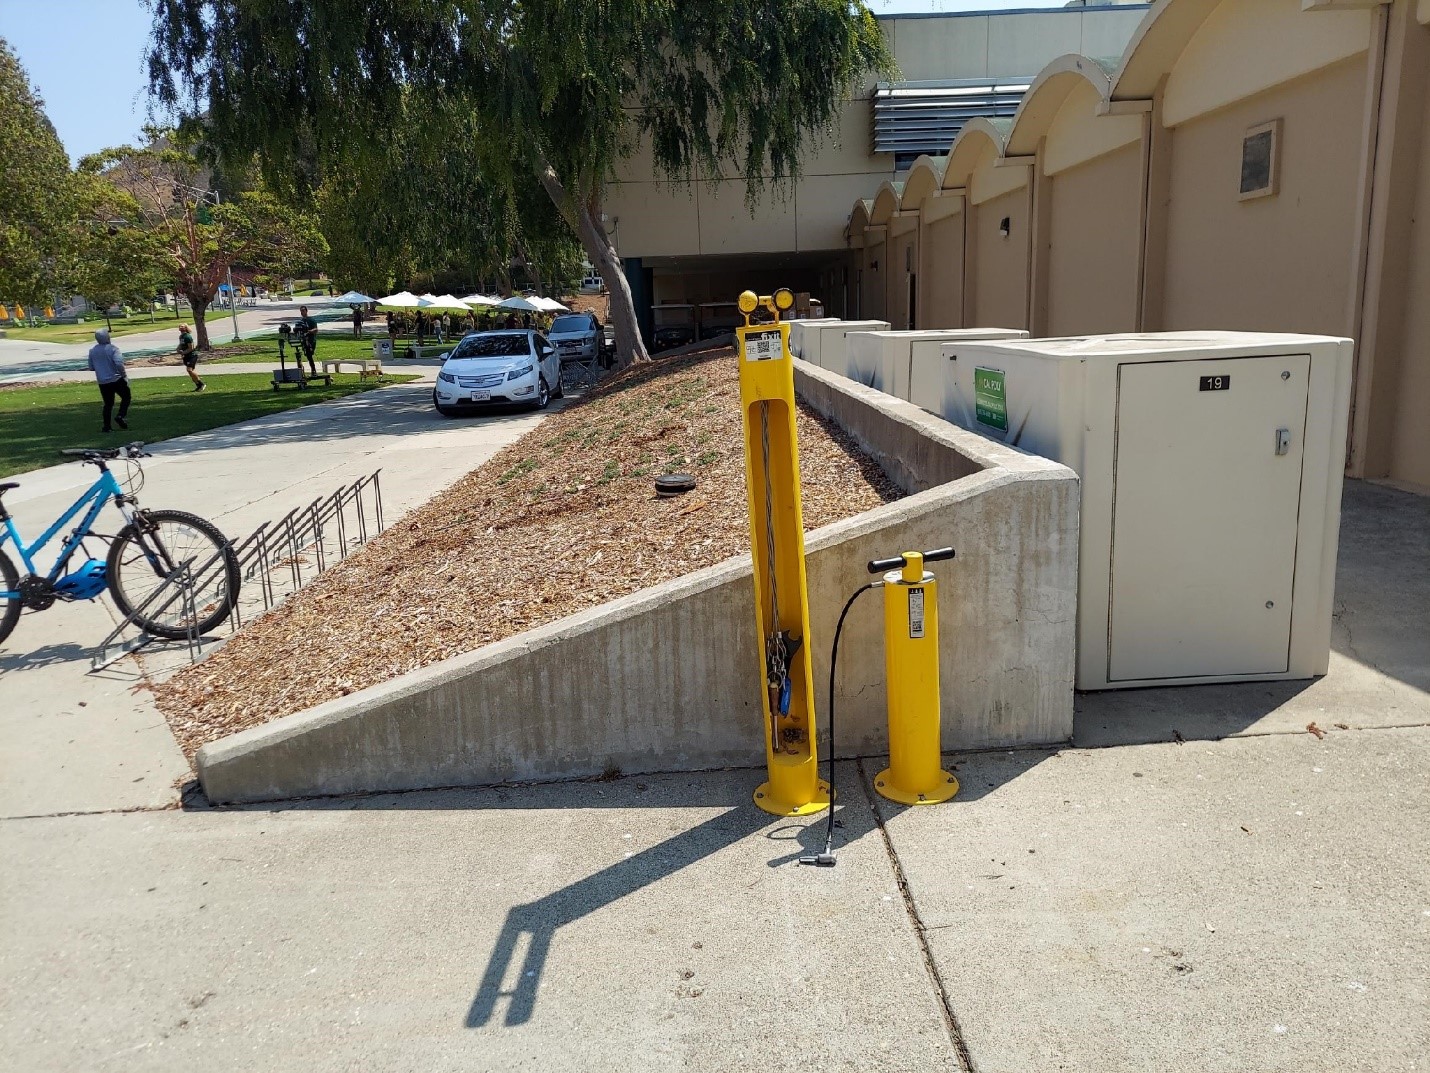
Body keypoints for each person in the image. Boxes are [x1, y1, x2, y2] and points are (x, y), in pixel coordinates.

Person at [88, 329, 131, 433]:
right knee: (126, 397)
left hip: (102, 381)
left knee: (108, 404)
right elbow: (119, 364)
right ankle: (120, 415)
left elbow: (91, 367)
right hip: (116, 378)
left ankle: (107, 426)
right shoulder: (113, 349)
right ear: (107, 337)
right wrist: (124, 375)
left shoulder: (92, 351)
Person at [175, 323, 205, 392]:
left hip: (192, 355)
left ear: (186, 328)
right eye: (179, 326)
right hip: (186, 356)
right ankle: (198, 385)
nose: (180, 327)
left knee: (189, 370)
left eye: (182, 326)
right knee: (190, 372)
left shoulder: (188, 336)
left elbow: (191, 348)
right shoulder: (181, 336)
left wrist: (183, 352)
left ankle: (201, 384)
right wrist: (178, 349)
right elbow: (181, 344)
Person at [295, 305, 319, 375]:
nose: (302, 312)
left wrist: (309, 331)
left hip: (311, 340)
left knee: (309, 354)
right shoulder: (301, 321)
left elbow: (316, 329)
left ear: (306, 311)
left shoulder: (311, 320)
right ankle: (304, 371)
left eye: (303, 310)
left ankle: (313, 370)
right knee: (306, 355)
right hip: (303, 341)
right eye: (301, 311)